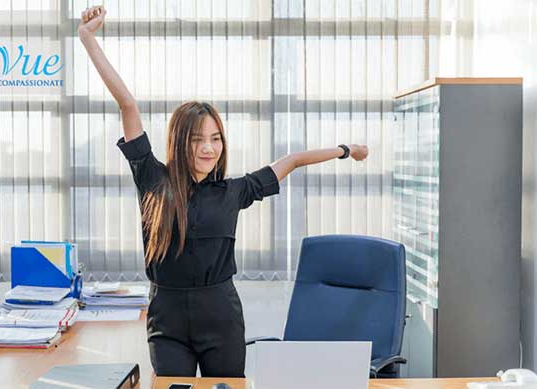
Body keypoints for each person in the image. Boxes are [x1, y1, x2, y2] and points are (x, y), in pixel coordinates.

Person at [78, 5, 368, 378]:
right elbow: (128, 103)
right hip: (167, 321)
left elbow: (292, 160)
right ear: (180, 141)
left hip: (221, 316)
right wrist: (87, 38)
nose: (208, 148)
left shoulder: (234, 190)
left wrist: (347, 150)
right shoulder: (153, 179)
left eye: (215, 139)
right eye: (197, 139)